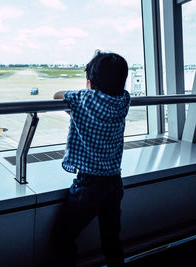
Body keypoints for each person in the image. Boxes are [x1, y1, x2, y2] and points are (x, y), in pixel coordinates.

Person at [53, 51, 130, 266]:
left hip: (89, 185)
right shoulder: (124, 100)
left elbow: (58, 95)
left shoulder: (84, 99)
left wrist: (84, 96)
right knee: (111, 239)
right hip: (115, 182)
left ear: (90, 82)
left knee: (63, 236)